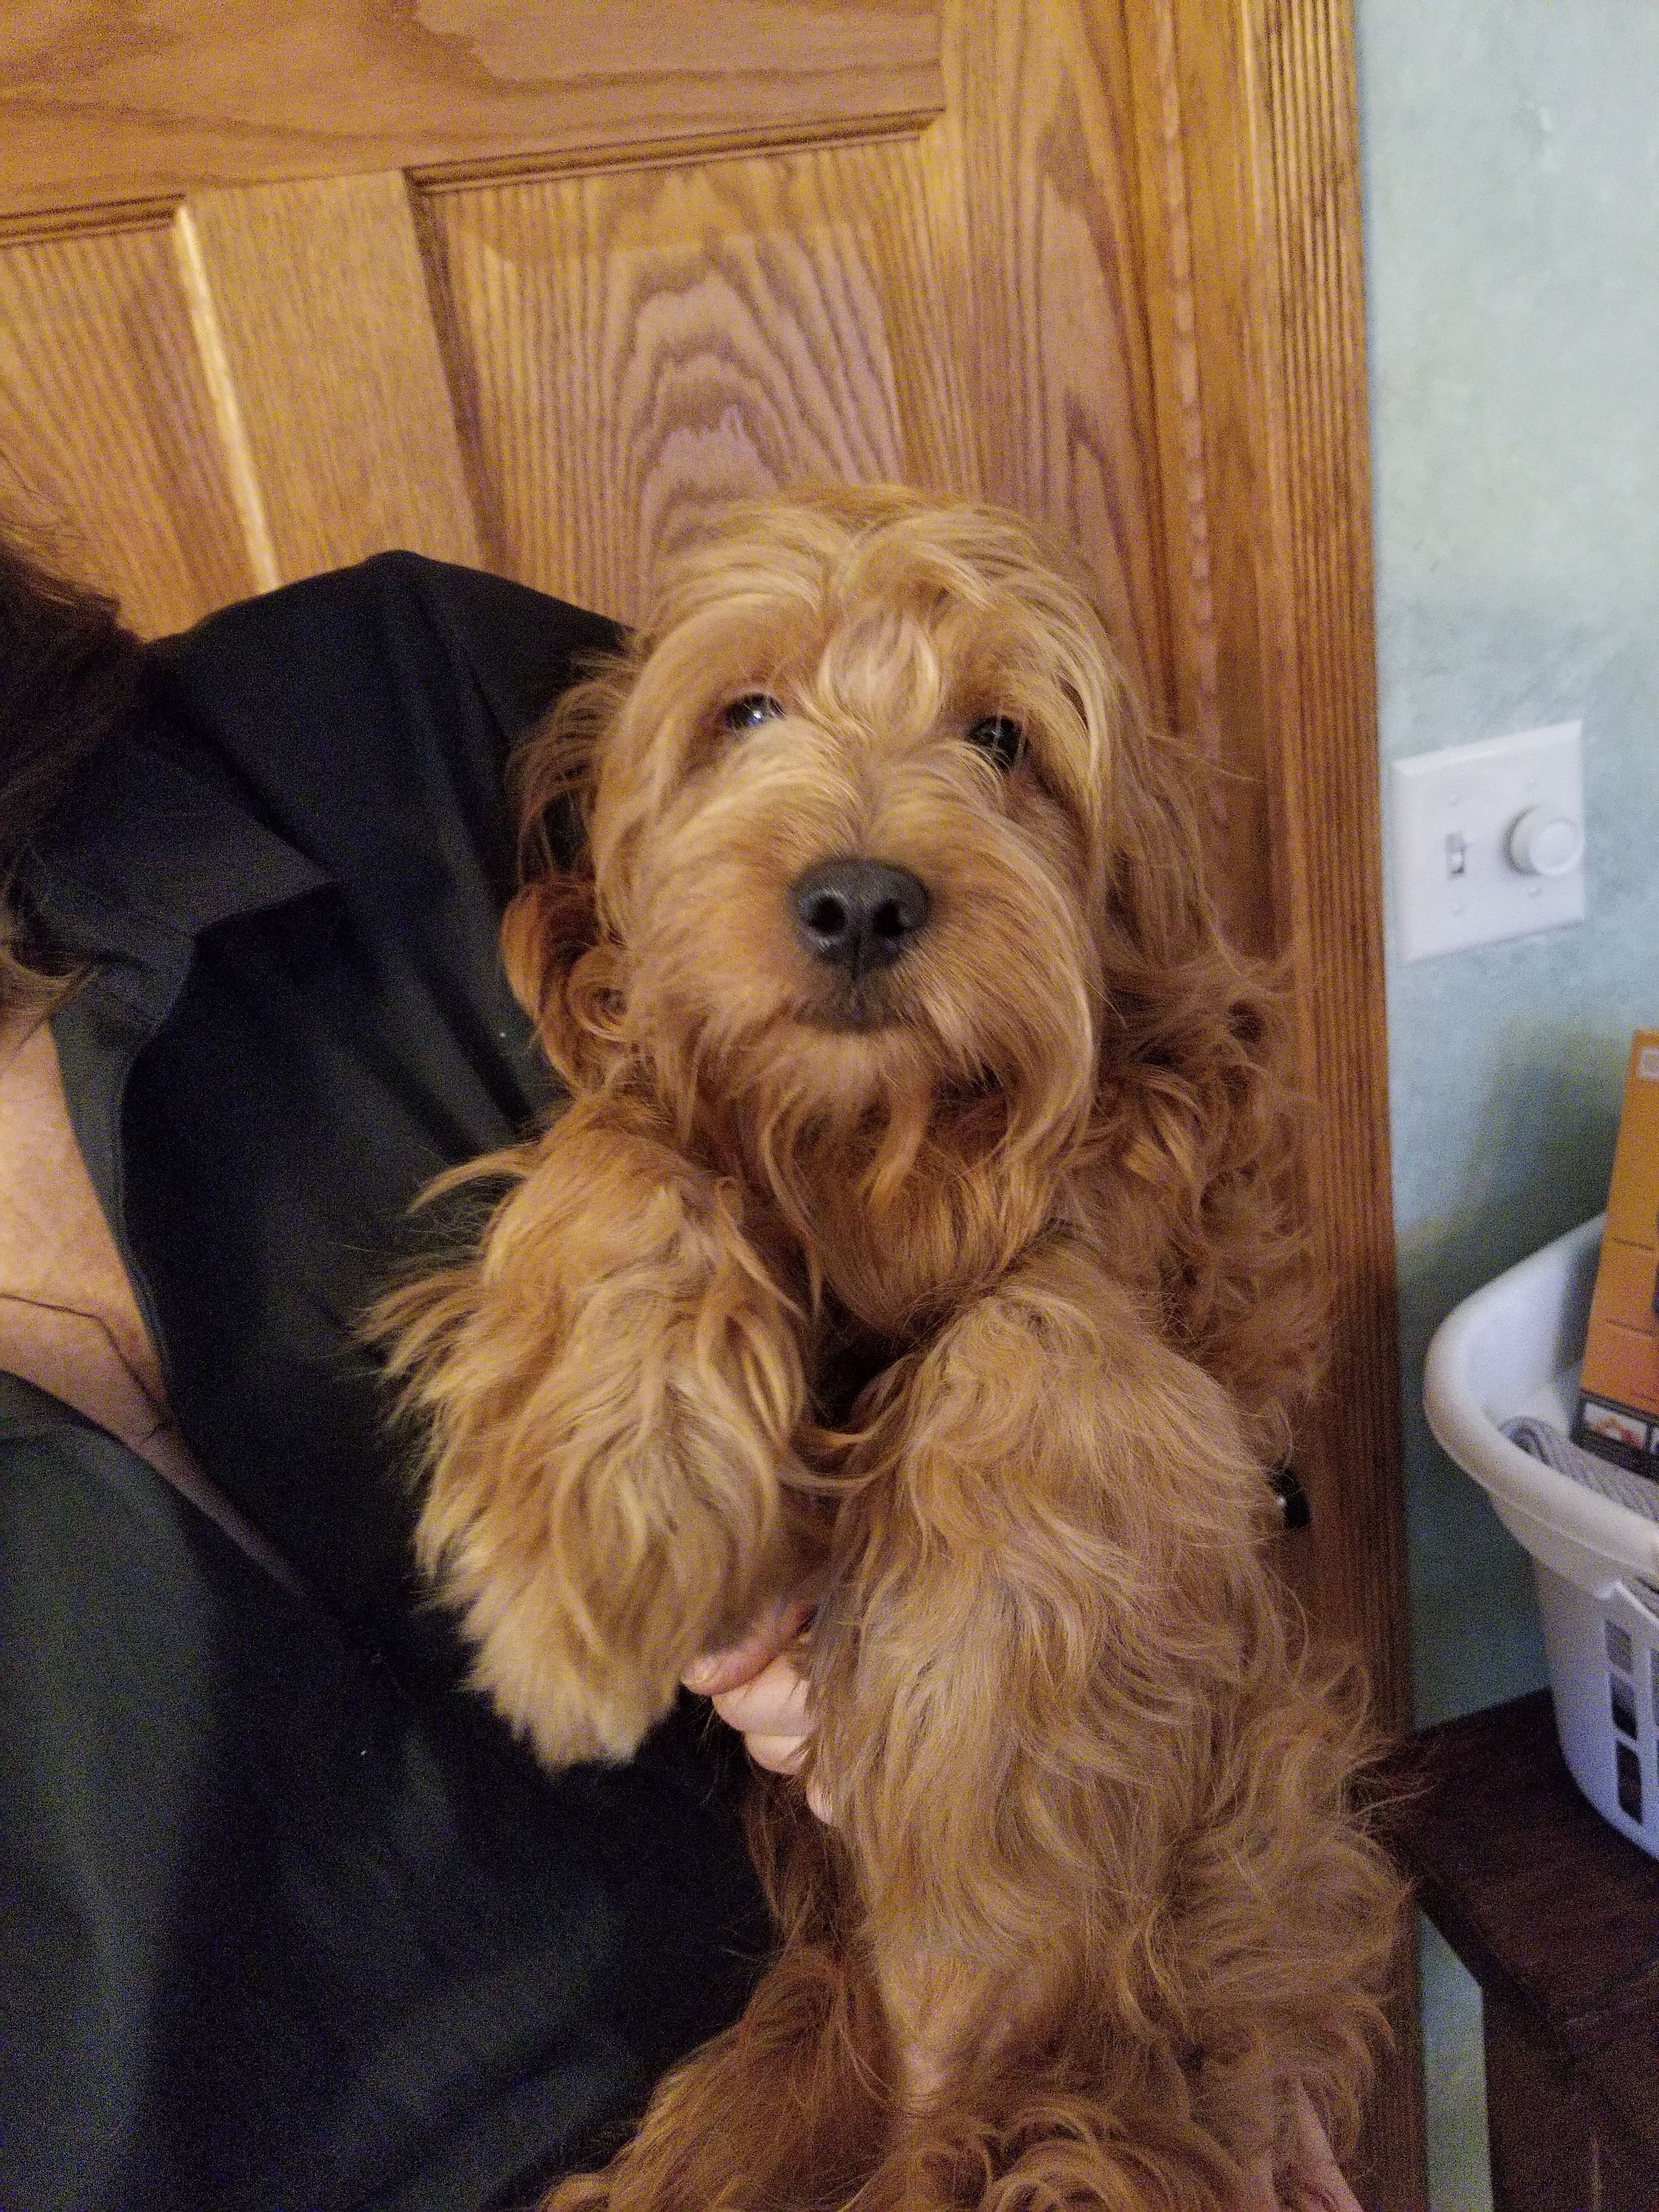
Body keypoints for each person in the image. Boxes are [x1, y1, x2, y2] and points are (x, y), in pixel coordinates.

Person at [0, 539, 1360, 2211]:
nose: (857, 859)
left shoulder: (394, 715)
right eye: (755, 715)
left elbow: (1153, 1172)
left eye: (998, 742)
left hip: (1041, 1978)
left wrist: (1119, 1654)